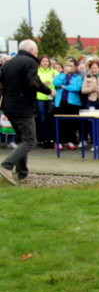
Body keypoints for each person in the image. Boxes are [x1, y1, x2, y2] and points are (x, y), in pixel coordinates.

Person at [0, 40, 54, 185]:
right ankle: (6, 165)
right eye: (36, 51)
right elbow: (33, 81)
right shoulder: (29, 62)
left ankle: (22, 174)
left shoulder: (7, 64)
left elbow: (2, 85)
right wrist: (48, 91)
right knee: (30, 141)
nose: (37, 54)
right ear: (31, 50)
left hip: (9, 106)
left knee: (22, 140)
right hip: (23, 107)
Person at [52, 59, 83, 150]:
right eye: (67, 66)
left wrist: (64, 87)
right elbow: (56, 83)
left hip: (73, 102)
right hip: (60, 101)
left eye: (71, 66)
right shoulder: (60, 75)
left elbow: (76, 88)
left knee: (72, 122)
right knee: (60, 122)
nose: (68, 68)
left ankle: (71, 141)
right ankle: (58, 141)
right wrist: (64, 75)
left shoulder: (78, 77)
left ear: (75, 67)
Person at [36, 55, 58, 148]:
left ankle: (51, 139)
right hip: (40, 97)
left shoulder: (54, 72)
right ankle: (42, 139)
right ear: (39, 62)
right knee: (42, 119)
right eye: (43, 61)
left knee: (50, 118)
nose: (45, 63)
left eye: (46, 61)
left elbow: (59, 82)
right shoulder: (36, 71)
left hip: (51, 97)